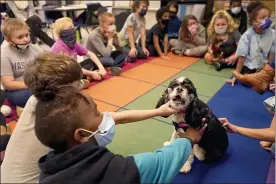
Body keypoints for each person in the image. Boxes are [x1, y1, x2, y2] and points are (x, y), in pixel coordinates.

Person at [0, 52, 191, 183]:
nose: (84, 85)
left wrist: (158, 112)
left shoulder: (43, 99)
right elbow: (146, 168)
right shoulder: (61, 119)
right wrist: (188, 140)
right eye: (78, 85)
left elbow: (115, 118)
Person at [35, 85, 203, 183]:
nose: (104, 116)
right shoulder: (117, 171)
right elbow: (160, 162)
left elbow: (121, 117)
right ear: (81, 136)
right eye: (97, 113)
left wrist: (157, 111)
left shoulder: (47, 172)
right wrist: (188, 139)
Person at [226, 2, 275, 86]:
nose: (267, 20)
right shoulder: (247, 36)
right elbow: (242, 57)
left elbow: (272, 53)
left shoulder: (273, 33)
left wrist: (268, 69)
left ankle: (263, 80)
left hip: (264, 67)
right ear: (254, 22)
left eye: (268, 17)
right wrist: (236, 75)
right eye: (262, 18)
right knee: (247, 81)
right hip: (250, 67)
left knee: (271, 77)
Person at [1, 18, 42, 108]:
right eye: (20, 37)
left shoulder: (35, 48)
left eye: (27, 35)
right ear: (8, 40)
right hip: (17, 91)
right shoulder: (3, 54)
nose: (26, 39)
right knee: (35, 96)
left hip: (38, 84)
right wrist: (34, 85)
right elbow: (8, 84)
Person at [51, 17, 106, 81]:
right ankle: (82, 80)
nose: (73, 29)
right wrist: (92, 73)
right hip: (59, 74)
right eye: (69, 27)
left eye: (72, 27)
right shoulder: (60, 46)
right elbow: (69, 68)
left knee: (90, 62)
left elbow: (90, 54)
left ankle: (85, 78)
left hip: (73, 68)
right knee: (71, 72)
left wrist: (101, 68)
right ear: (62, 31)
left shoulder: (73, 43)